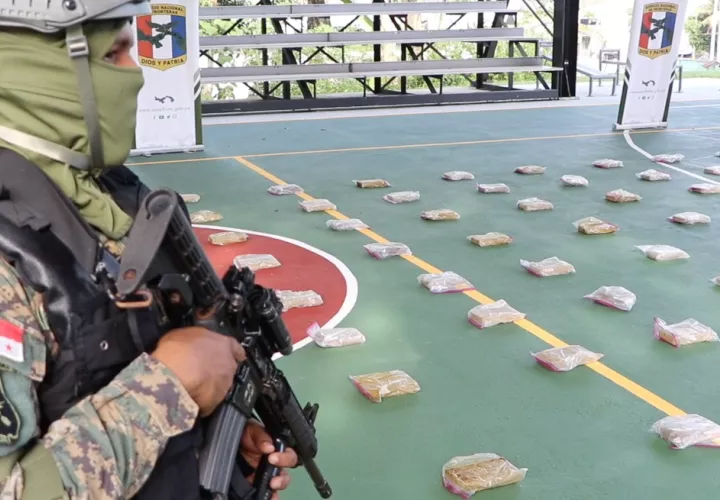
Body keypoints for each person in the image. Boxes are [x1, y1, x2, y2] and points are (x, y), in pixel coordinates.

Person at [0, 1, 298, 499]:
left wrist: (211, 445)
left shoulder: (112, 197)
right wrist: (168, 388)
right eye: (115, 53)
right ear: (39, 68)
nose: (136, 74)